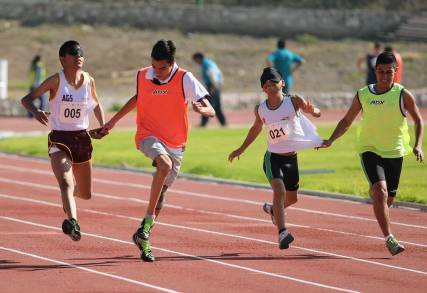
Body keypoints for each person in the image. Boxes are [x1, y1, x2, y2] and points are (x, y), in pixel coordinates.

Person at [101, 39, 215, 262]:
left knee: (161, 192)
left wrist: (205, 111)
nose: (158, 72)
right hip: (147, 134)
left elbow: (209, 106)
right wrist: (111, 123)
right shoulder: (143, 75)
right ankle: (146, 223)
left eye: (162, 68)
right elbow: (136, 98)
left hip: (176, 142)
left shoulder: (185, 78)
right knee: (164, 164)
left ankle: (144, 233)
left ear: (173, 63)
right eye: (154, 66)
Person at [319, 51, 424, 256]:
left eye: (388, 72)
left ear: (396, 71)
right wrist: (331, 139)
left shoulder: (403, 95)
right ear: (375, 71)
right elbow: (347, 120)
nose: (384, 76)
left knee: (388, 200)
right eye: (380, 72)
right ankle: (390, 239)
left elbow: (419, 120)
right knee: (381, 193)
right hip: (369, 149)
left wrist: (418, 145)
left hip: (395, 151)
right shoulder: (363, 94)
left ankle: (377, 195)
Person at [21, 40, 107, 242]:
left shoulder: (88, 80)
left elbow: (96, 104)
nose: (79, 57)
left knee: (85, 194)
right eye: (74, 53)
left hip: (82, 139)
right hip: (60, 138)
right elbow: (27, 99)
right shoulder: (55, 81)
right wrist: (35, 111)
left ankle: (68, 202)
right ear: (62, 59)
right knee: (66, 183)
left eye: (81, 53)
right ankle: (73, 222)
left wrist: (104, 126)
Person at [228, 67, 322, 250]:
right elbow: (255, 129)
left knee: (292, 199)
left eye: (273, 81)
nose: (269, 84)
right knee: (279, 191)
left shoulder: (294, 101)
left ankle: (273, 210)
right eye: (265, 83)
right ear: (263, 89)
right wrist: (241, 149)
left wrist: (313, 110)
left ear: (282, 83)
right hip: (273, 159)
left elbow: (316, 113)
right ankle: (282, 233)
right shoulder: (261, 109)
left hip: (291, 159)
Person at [192, 52, 227, 127]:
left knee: (207, 104)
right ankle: (223, 123)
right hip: (216, 85)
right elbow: (219, 73)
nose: (196, 63)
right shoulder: (210, 63)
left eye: (195, 60)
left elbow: (212, 74)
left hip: (212, 86)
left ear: (198, 58)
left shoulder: (206, 65)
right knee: (217, 106)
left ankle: (203, 124)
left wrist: (213, 86)